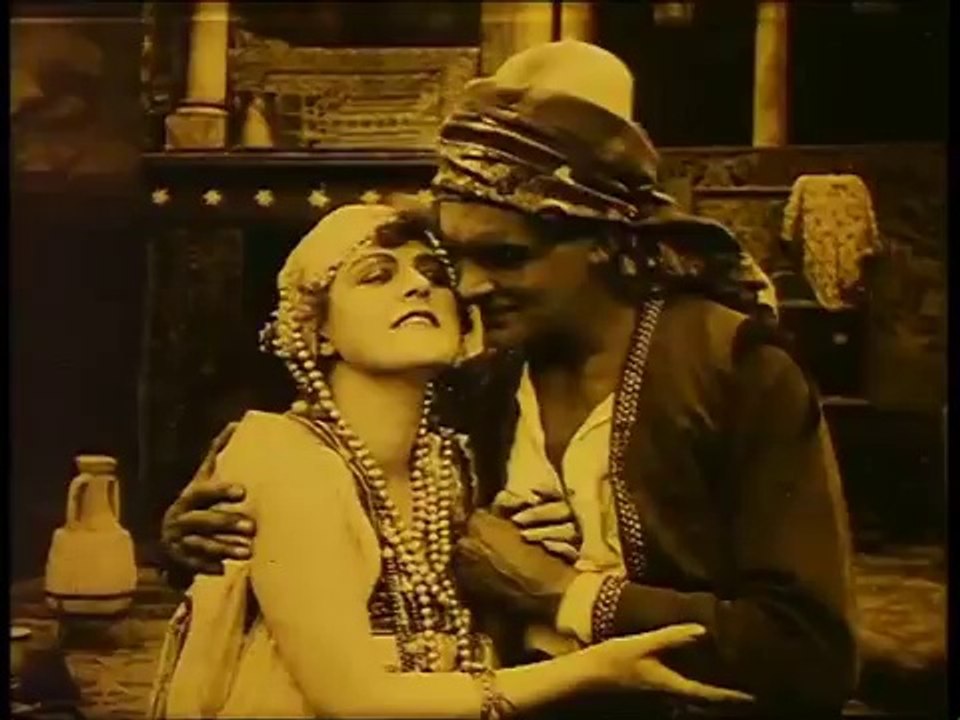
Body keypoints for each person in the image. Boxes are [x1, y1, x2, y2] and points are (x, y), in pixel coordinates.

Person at [161, 41, 857, 717]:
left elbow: (809, 655)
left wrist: (564, 592)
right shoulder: (478, 385)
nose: (467, 287)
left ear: (604, 239)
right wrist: (203, 532)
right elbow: (347, 494)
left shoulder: (733, 370)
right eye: (455, 258)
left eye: (505, 256)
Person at [149, 203, 750, 719]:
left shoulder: (453, 456)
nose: (418, 287)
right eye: (375, 275)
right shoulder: (285, 454)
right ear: (318, 331)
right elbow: (352, 698)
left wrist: (542, 550)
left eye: (434, 274)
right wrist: (595, 669)